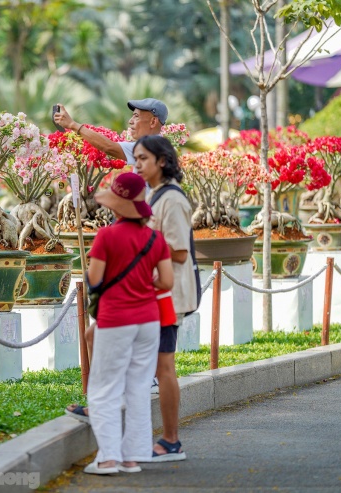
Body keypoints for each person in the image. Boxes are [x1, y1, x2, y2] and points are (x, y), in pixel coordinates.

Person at [81, 172, 173, 475]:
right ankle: (133, 456)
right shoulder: (155, 238)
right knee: (137, 388)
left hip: (115, 319)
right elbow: (167, 281)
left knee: (104, 389)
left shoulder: (106, 236)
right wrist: (145, 285)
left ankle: (109, 458)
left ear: (117, 205)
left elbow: (94, 279)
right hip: (148, 321)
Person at [132, 134, 197, 462]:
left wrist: (140, 241)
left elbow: (180, 253)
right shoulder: (154, 195)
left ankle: (171, 440)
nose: (138, 164)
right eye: (136, 158)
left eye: (143, 158)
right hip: (153, 293)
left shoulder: (172, 200)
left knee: (164, 367)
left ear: (162, 161)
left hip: (167, 296)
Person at [53, 98, 168, 165]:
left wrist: (72, 125)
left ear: (153, 122)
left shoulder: (150, 148)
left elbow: (109, 147)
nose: (130, 121)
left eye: (136, 116)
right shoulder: (157, 145)